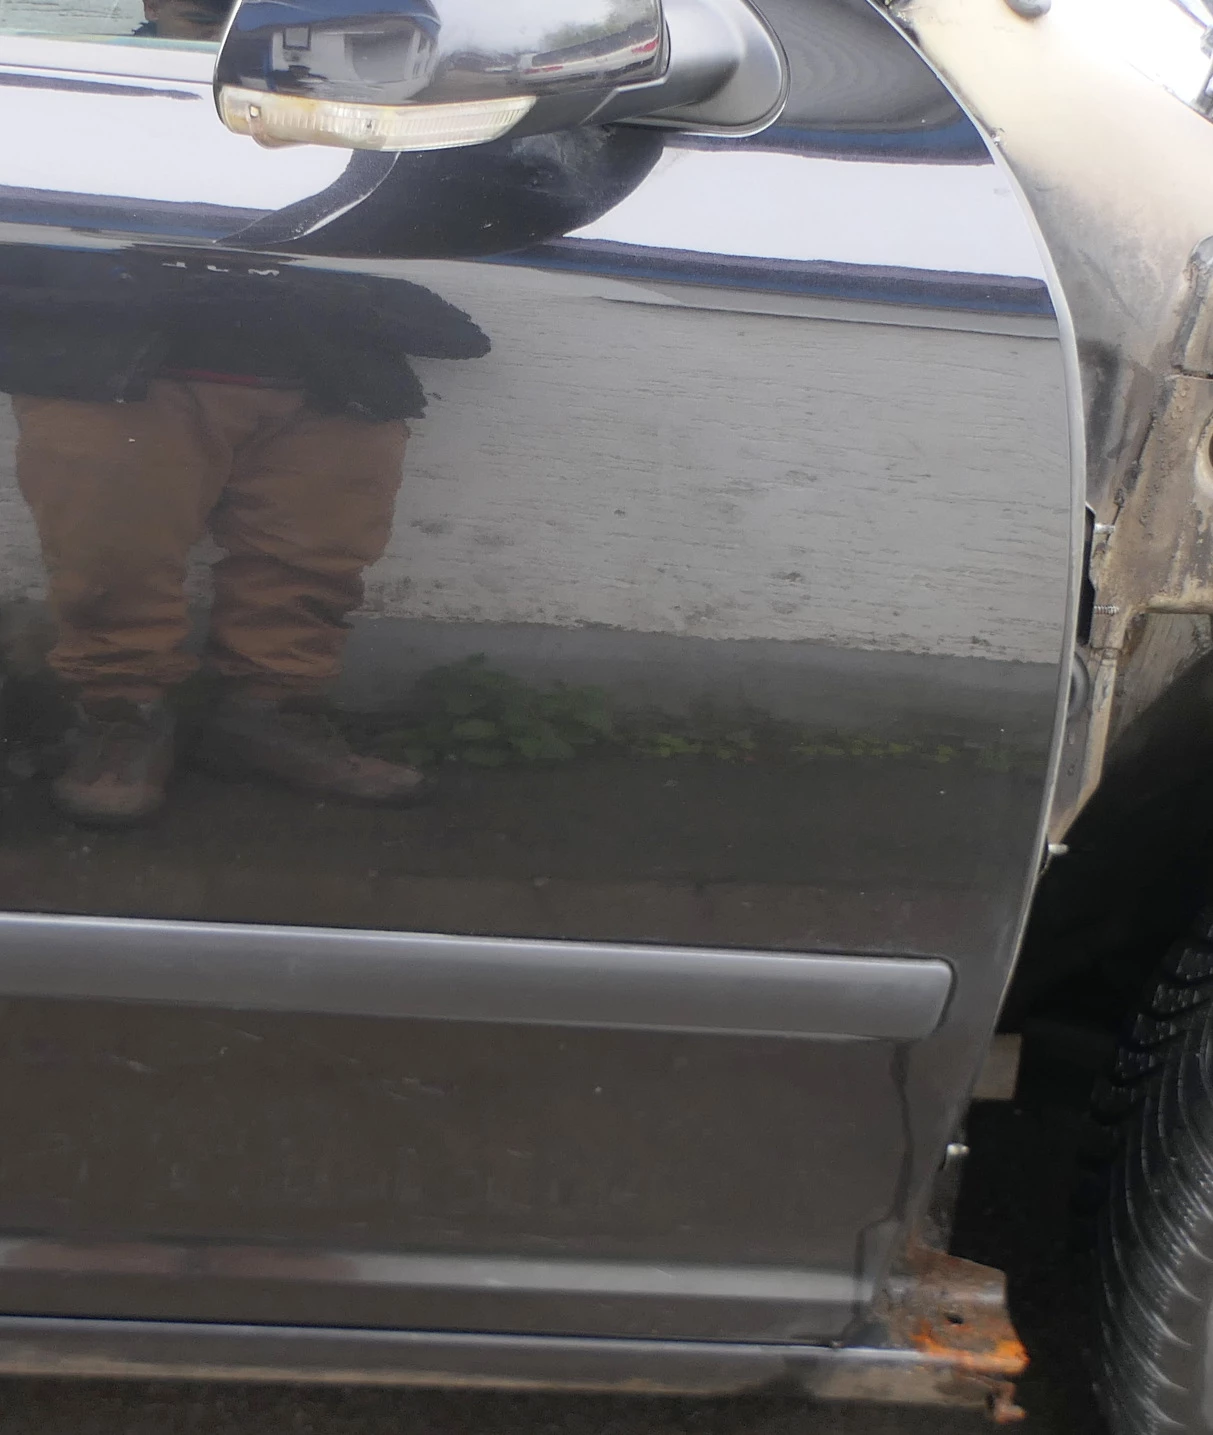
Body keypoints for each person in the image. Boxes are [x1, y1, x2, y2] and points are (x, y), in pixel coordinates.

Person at [2, 231, 489, 824]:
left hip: (336, 368)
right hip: (110, 361)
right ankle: (122, 718)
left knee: (318, 558)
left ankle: (268, 716)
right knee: (110, 557)